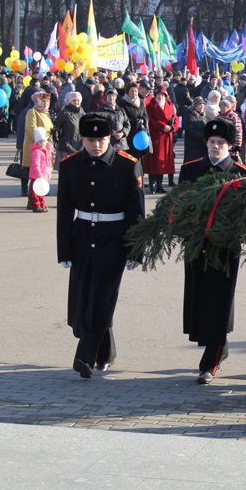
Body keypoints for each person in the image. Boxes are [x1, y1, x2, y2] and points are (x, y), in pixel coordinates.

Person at [57, 114, 145, 378]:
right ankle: (106, 352)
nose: (96, 145)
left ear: (110, 139)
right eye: (90, 140)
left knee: (102, 297)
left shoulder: (127, 165)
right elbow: (64, 211)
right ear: (82, 139)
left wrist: (136, 249)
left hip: (114, 239)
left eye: (102, 140)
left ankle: (85, 355)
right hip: (82, 237)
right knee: (84, 297)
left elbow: (137, 212)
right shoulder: (70, 165)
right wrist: (64, 250)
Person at [179, 119, 246, 385]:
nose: (215, 146)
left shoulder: (241, 174)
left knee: (220, 300)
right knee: (199, 298)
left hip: (224, 248)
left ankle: (211, 360)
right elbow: (179, 206)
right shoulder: (190, 170)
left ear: (230, 146)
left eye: (221, 143)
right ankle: (218, 345)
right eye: (212, 142)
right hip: (196, 245)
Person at [144, 84, 177, 193]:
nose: (160, 96)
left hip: (167, 138)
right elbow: (150, 120)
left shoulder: (169, 105)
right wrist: (163, 126)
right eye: (158, 94)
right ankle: (152, 185)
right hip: (156, 136)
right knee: (154, 161)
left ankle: (159, 185)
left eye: (162, 95)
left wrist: (172, 127)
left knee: (163, 162)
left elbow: (176, 119)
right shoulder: (150, 106)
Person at [21, 89, 53, 197]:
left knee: (42, 169)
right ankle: (28, 191)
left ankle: (41, 189)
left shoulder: (46, 113)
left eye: (47, 101)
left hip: (45, 146)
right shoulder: (32, 112)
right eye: (43, 101)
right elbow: (31, 127)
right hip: (34, 145)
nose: (46, 103)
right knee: (31, 169)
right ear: (38, 101)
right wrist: (40, 140)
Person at [28, 127, 54, 213]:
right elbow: (36, 163)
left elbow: (48, 162)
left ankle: (42, 204)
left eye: (44, 141)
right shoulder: (37, 152)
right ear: (37, 142)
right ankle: (36, 205)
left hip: (43, 177)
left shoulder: (45, 151)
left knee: (41, 192)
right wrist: (38, 173)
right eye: (40, 142)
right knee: (35, 192)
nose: (42, 143)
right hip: (37, 176)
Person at [183, 97, 208, 163]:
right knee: (192, 163)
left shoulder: (203, 116)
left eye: (203, 105)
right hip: (192, 145)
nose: (202, 106)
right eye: (200, 104)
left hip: (201, 144)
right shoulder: (189, 115)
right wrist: (203, 135)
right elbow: (189, 131)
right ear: (195, 106)